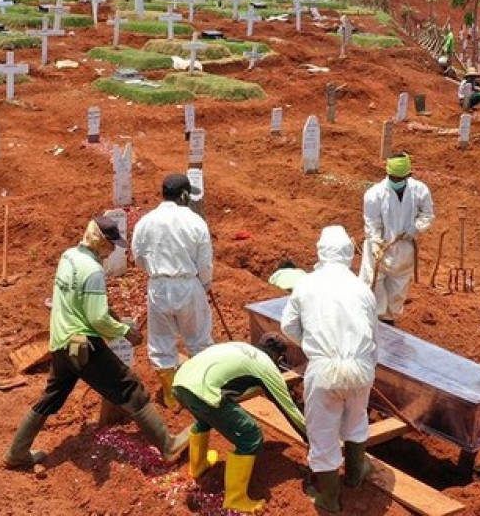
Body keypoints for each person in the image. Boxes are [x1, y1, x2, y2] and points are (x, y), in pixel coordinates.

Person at [3, 215, 190, 469]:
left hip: (61, 341)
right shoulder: (93, 271)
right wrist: (125, 331)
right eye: (111, 244)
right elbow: (96, 317)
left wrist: (112, 316)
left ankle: (17, 451)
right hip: (82, 345)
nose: (113, 250)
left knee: (52, 396)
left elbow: (82, 302)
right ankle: (167, 446)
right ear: (101, 242)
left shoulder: (69, 256)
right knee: (131, 389)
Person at [281, 226, 378, 513]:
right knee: (356, 419)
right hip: (361, 366)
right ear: (349, 253)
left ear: (320, 251)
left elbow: (288, 326)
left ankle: (328, 499)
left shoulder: (306, 285)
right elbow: (374, 336)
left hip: (323, 369)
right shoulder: (362, 289)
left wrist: (312, 345)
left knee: (323, 434)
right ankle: (356, 472)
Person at [171, 335, 307, 513]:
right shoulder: (266, 366)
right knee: (250, 435)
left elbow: (232, 386)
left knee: (205, 419)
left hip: (180, 382)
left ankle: (198, 466)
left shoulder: (240, 347)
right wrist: (311, 437)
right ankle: (236, 499)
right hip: (201, 390)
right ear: (279, 357)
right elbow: (289, 409)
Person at [131, 173, 214, 411]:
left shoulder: (146, 222)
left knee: (160, 342)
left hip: (158, 286)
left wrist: (156, 273)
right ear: (185, 195)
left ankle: (171, 395)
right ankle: (200, 390)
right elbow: (205, 263)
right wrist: (204, 284)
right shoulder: (195, 221)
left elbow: (138, 257)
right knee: (198, 339)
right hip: (188, 284)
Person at [358, 152, 435, 324]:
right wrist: (377, 244)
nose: (397, 181)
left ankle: (388, 322)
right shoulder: (374, 194)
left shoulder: (420, 191)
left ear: (409, 175)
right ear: (387, 174)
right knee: (373, 285)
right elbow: (372, 223)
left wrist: (414, 229)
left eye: (401, 178)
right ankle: (372, 321)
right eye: (393, 177)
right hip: (378, 251)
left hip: (404, 250)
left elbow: (428, 215)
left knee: (397, 290)